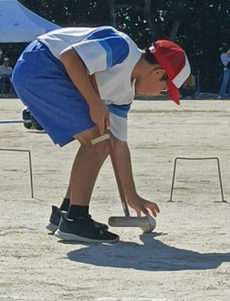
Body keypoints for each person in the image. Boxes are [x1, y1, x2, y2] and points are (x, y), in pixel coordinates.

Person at [11, 26, 191, 243]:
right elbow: (70, 56)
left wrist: (131, 195)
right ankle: (76, 220)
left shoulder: (124, 94)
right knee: (97, 141)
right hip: (40, 64)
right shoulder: (122, 47)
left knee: (101, 139)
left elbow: (118, 143)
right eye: (164, 90)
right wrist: (95, 103)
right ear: (158, 73)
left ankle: (65, 213)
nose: (158, 94)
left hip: (49, 72)